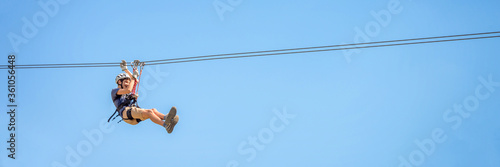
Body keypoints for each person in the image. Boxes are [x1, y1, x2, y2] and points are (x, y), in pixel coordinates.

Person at [111, 60, 179, 133]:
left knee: (153, 110)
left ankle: (167, 118)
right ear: (119, 82)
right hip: (126, 113)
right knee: (149, 112)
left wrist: (126, 70)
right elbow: (129, 89)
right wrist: (133, 77)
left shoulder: (126, 91)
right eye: (126, 82)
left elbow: (135, 81)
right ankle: (166, 125)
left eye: (128, 82)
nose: (128, 83)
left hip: (131, 115)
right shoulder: (115, 91)